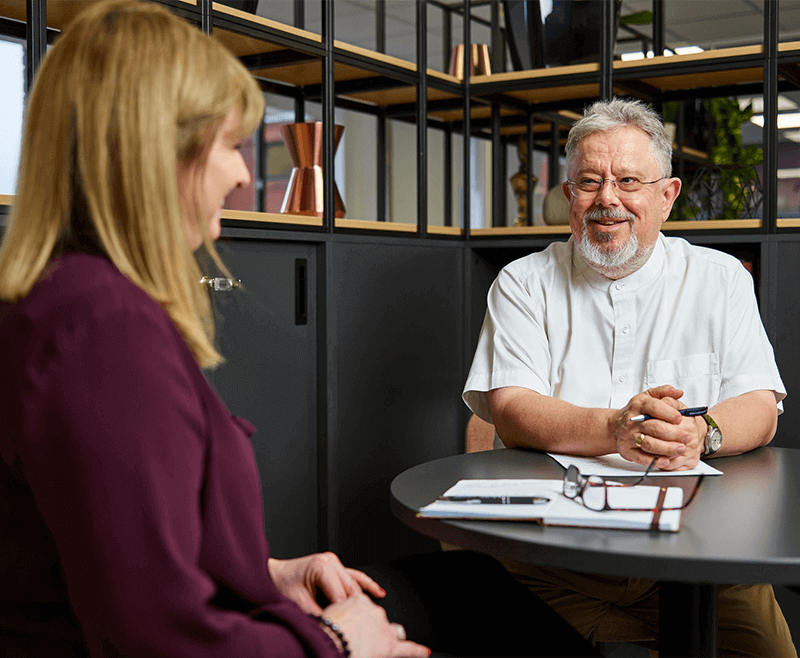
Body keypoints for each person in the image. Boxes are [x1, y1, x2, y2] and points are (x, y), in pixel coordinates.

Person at [0, 2, 600, 657]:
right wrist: (339, 643)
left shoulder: (59, 305)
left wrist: (267, 575)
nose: (242, 176)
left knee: (474, 586)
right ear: (153, 154)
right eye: (229, 146)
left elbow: (115, 556)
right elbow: (157, 637)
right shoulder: (105, 334)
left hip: (246, 617)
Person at [463, 97, 796, 656]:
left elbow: (760, 403)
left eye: (628, 181)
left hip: (702, 556)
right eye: (589, 183)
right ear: (569, 198)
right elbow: (512, 407)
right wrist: (617, 429)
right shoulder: (523, 283)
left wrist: (702, 432)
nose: (607, 200)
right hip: (551, 559)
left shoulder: (722, 281)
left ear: (666, 196)